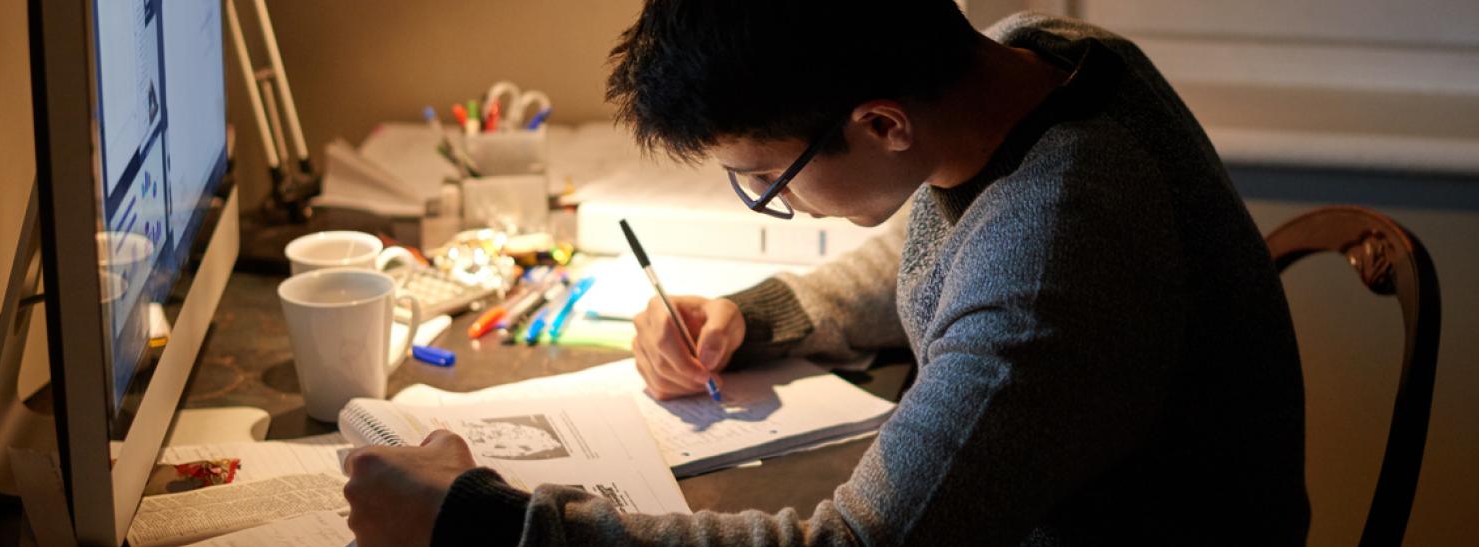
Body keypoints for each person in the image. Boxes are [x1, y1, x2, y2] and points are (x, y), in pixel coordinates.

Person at [342, 2, 1311, 545]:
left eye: (768, 178)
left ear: (880, 123)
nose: (769, 202)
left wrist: (482, 528)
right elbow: (944, 233)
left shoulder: (1049, 267)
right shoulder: (1042, 60)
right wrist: (757, 313)